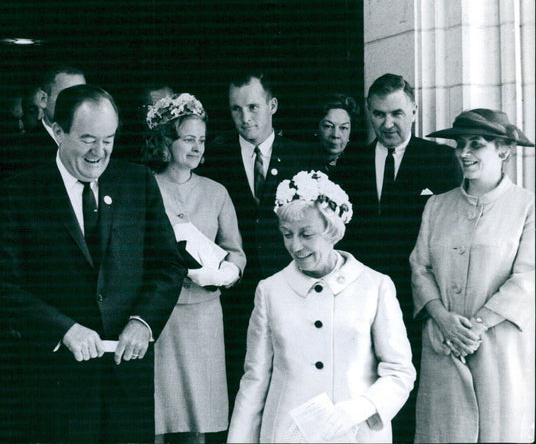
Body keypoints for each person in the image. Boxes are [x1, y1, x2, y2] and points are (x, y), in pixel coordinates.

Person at [0, 84, 187, 442]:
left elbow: (168, 265)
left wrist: (143, 322)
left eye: (108, 139)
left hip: (126, 380)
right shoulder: (18, 193)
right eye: (88, 138)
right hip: (54, 383)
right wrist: (63, 328)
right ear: (58, 132)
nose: (99, 152)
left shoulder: (136, 182)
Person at [228, 170, 415, 443]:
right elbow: (255, 380)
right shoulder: (270, 290)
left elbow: (400, 372)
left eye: (306, 234)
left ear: (331, 231)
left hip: (357, 433)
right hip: (286, 433)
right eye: (287, 234)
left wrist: (359, 409)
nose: (295, 246)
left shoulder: (375, 286)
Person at [338, 73, 461, 441]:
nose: (387, 124)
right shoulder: (351, 162)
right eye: (378, 115)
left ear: (413, 111)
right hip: (364, 298)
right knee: (366, 386)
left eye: (396, 113)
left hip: (417, 299)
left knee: (411, 384)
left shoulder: (441, 160)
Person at [410, 109, 535, 443]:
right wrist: (443, 319)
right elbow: (420, 268)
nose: (463, 153)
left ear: (504, 150)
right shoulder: (436, 206)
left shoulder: (527, 206)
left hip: (498, 351)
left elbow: (528, 280)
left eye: (475, 145)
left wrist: (475, 327)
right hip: (442, 345)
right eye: (460, 144)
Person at [201, 70, 316, 409]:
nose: (244, 117)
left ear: (273, 105)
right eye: (235, 109)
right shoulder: (215, 157)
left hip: (292, 287)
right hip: (237, 293)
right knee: (243, 378)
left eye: (252, 107)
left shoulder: (305, 157)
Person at [143, 93, 246, 442]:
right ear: (165, 140)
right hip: (159, 316)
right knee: (156, 419)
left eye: (201, 141)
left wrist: (229, 272)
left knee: (197, 421)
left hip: (204, 318)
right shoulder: (143, 187)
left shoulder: (217, 192)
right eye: (188, 139)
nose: (196, 148)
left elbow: (236, 251)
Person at [314, 93, 360, 182]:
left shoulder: (357, 168)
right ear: (317, 128)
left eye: (343, 128)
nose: (335, 135)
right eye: (328, 126)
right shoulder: (300, 162)